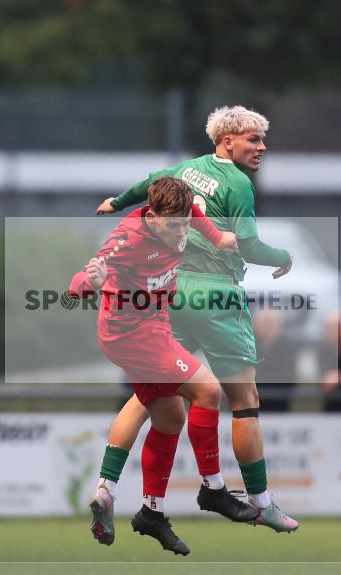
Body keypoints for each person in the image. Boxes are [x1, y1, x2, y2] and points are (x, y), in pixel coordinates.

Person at [92, 105, 299, 534]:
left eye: (262, 139)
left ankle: (107, 485)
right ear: (227, 141)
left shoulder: (186, 169)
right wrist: (284, 257)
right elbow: (247, 247)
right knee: (245, 404)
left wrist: (116, 201)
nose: (261, 147)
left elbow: (149, 183)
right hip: (214, 294)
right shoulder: (239, 183)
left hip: (169, 291)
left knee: (149, 396)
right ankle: (261, 503)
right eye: (252, 139)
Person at [71, 176, 256, 555]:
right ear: (151, 215)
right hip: (131, 333)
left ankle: (144, 509)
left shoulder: (184, 216)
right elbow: (77, 284)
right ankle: (215, 490)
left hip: (155, 327)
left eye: (185, 223)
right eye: (173, 225)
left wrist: (221, 239)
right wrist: (91, 282)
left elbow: (198, 214)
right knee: (208, 390)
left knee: (170, 418)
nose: (181, 232)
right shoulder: (128, 239)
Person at [253, 309, 297, 412]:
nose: (268, 327)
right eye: (264, 323)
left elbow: (289, 378)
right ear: (256, 325)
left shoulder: (288, 348)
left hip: (279, 405)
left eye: (272, 323)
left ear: (279, 326)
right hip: (250, 406)